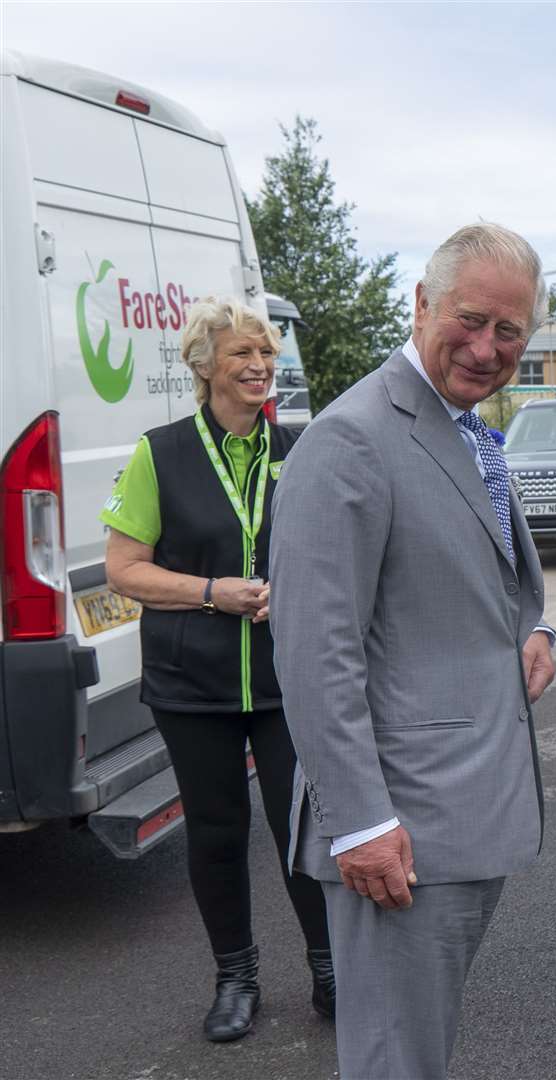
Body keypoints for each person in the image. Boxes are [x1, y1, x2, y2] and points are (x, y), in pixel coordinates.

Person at [269, 223, 556, 1080]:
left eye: (510, 331)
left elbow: (485, 576)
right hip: (401, 830)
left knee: (416, 1051)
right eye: (470, 319)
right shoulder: (351, 437)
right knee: (396, 1059)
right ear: (422, 302)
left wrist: (535, 629)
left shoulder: (464, 428)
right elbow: (316, 651)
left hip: (464, 812)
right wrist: (359, 820)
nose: (487, 346)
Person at [101, 297, 333, 1042]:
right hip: (191, 681)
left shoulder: (301, 449)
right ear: (205, 368)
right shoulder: (158, 454)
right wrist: (211, 593)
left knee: (299, 828)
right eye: (242, 355)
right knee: (217, 829)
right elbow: (124, 570)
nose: (260, 367)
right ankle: (236, 978)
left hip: (284, 678)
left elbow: (335, 557)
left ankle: (330, 969)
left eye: (265, 354)